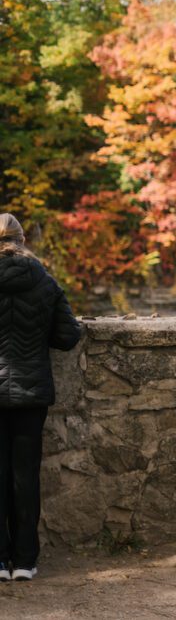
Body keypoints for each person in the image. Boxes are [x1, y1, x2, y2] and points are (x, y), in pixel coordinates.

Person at [0, 214, 81, 582]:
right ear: (22, 240)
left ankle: (0, 562)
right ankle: (26, 561)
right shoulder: (44, 282)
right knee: (25, 475)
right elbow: (67, 336)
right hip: (32, 393)